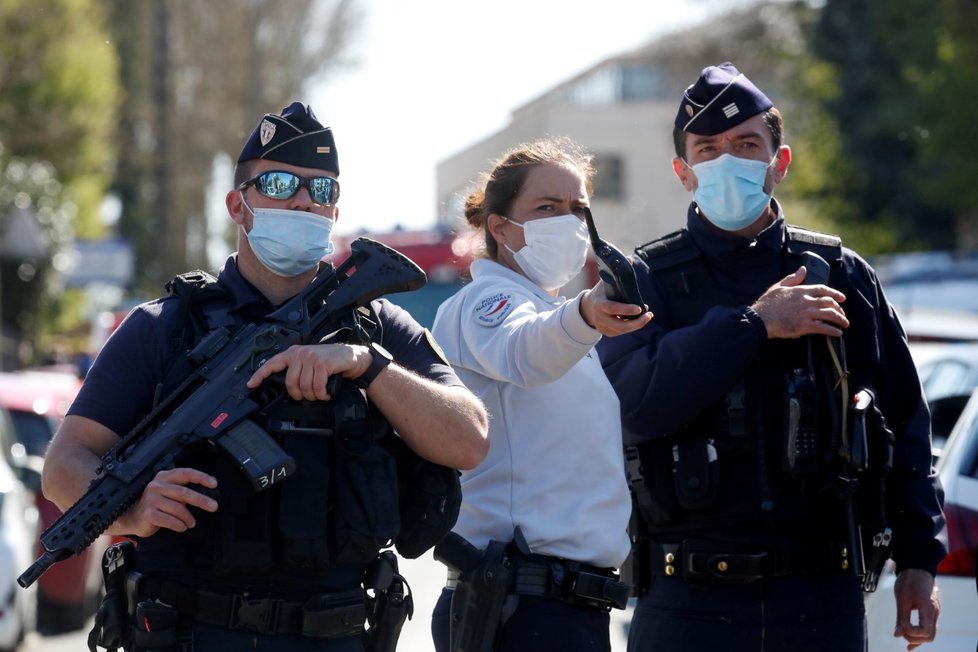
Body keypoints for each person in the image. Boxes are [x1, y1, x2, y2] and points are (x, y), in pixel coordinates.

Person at [41, 102, 489, 652]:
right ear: (238, 205)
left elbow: (469, 439)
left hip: (336, 632)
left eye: (321, 191)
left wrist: (365, 364)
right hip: (188, 633)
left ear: (333, 212)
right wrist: (134, 510)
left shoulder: (375, 325)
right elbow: (64, 465)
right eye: (280, 183)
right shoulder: (163, 328)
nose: (303, 200)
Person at [596, 62, 947, 652]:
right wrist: (754, 325)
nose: (725, 161)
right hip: (688, 603)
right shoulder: (644, 280)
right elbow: (636, 407)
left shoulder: (839, 273)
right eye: (707, 149)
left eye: (746, 145)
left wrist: (920, 559)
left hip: (819, 599)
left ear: (778, 163)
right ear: (684, 173)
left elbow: (905, 423)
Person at [428, 137, 653, 652]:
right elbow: (523, 350)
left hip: (560, 606)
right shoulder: (487, 300)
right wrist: (585, 315)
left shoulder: (548, 310)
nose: (567, 222)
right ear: (500, 226)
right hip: (518, 604)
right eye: (546, 207)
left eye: (577, 209)